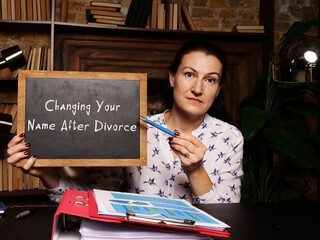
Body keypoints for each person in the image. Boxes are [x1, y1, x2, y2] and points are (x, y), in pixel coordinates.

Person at [6, 41, 243, 204]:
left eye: (210, 80)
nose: (198, 88)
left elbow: (228, 219)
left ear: (218, 89)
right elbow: (92, 199)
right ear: (172, 78)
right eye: (189, 74)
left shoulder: (230, 138)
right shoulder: (136, 129)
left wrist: (195, 170)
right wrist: (46, 173)